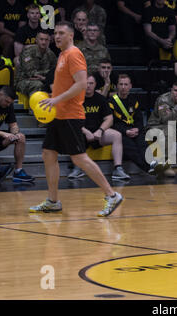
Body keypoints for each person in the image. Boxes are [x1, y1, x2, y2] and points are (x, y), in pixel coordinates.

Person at [30, 21, 122, 217]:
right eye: (55, 33)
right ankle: (53, 201)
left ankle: (112, 195)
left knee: (79, 158)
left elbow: (81, 84)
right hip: (58, 115)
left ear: (71, 35)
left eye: (61, 33)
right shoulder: (63, 54)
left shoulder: (74, 54)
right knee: (48, 154)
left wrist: (56, 99)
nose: (57, 36)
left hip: (70, 115)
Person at [68, 74, 130, 180]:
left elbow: (109, 119)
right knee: (72, 134)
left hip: (98, 133)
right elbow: (71, 120)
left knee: (117, 135)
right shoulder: (76, 99)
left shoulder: (100, 99)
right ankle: (77, 168)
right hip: (81, 133)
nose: (88, 86)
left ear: (95, 85)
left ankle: (118, 169)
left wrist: (100, 130)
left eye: (91, 83)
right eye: (86, 83)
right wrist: (86, 131)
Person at [108, 74, 165, 176]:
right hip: (121, 132)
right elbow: (111, 123)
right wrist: (125, 131)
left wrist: (137, 129)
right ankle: (149, 168)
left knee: (142, 143)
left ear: (130, 86)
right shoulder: (111, 102)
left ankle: (153, 164)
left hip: (134, 130)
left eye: (126, 84)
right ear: (117, 86)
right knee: (131, 148)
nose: (123, 87)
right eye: (121, 84)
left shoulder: (134, 101)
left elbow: (139, 120)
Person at [15, 30, 57, 97]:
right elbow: (31, 73)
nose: (44, 42)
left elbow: (55, 71)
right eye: (41, 39)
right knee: (38, 85)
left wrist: (45, 78)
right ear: (36, 40)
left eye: (46, 40)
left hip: (43, 80)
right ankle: (34, 107)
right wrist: (47, 76)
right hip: (23, 80)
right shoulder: (28, 52)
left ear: (49, 41)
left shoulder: (51, 54)